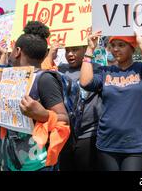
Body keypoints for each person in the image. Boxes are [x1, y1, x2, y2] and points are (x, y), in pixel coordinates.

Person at [0, 21, 70, 171]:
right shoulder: (11, 77)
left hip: (37, 164)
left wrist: (43, 114)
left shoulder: (44, 79)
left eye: (12, 50)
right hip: (12, 161)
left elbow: (64, 118)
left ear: (17, 51)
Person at [79, 31, 142, 171]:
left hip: (135, 144)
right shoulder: (105, 71)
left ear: (132, 47)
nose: (116, 49)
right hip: (107, 143)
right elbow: (86, 83)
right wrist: (89, 49)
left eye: (121, 45)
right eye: (113, 45)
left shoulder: (140, 69)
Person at [43, 41, 102, 171]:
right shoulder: (60, 69)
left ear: (85, 49)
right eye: (67, 50)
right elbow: (41, 78)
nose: (70, 54)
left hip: (88, 134)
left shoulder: (97, 68)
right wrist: (50, 54)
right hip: (64, 134)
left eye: (75, 49)